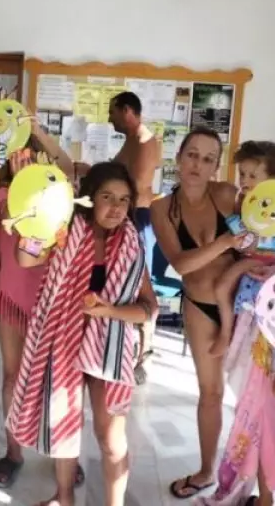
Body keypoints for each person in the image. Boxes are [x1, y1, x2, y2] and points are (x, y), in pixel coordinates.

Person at [7, 161, 159, 506]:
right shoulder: (64, 230)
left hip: (110, 349)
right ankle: (64, 498)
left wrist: (110, 312)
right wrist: (32, 222)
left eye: (124, 199)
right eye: (107, 197)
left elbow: (149, 308)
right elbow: (27, 259)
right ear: (89, 198)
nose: (116, 207)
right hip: (62, 343)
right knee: (62, 427)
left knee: (111, 440)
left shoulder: (131, 245)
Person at [150, 126, 250, 499]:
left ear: (216, 167)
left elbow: (262, 230)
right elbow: (181, 264)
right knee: (210, 393)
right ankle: (208, 471)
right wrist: (225, 242)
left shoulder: (227, 195)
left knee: (253, 398)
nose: (198, 164)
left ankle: (251, 480)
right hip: (199, 306)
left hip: (244, 306)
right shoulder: (162, 208)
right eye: (192, 154)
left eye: (208, 159)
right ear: (178, 158)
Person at [0, 125, 83, 489]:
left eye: (31, 152)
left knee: (58, 382)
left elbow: (68, 167)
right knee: (12, 377)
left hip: (53, 299)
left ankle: (63, 454)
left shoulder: (62, 192)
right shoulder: (2, 196)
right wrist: (19, 186)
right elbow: (4, 240)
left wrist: (36, 128)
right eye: (18, 153)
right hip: (12, 297)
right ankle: (13, 452)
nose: (25, 159)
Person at [200, 140, 275, 506]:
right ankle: (227, 332)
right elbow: (237, 236)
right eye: (243, 174)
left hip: (262, 269)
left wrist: (244, 244)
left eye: (254, 175)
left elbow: (259, 242)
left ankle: (226, 333)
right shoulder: (247, 203)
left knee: (224, 286)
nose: (246, 180)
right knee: (224, 288)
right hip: (253, 271)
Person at [109, 92, 161, 355]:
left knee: (141, 281)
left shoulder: (145, 140)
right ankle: (129, 341)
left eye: (112, 112)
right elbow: (115, 171)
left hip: (138, 217)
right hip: (124, 216)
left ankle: (146, 347)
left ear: (127, 110)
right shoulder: (131, 140)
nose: (110, 119)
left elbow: (137, 185)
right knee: (124, 281)